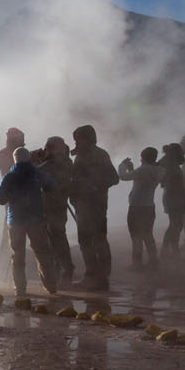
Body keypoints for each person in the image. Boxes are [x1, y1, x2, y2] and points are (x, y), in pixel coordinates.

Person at [0, 147, 59, 297]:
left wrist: (11, 196)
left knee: (17, 255)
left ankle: (20, 288)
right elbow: (53, 187)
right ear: (28, 158)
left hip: (15, 220)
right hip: (36, 219)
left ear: (14, 159)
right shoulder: (37, 173)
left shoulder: (9, 177)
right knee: (42, 253)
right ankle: (51, 286)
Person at [68, 124, 119, 290]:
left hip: (96, 205)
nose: (76, 143)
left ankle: (102, 277)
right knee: (85, 241)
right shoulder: (80, 157)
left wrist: (93, 186)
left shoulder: (99, 155)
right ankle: (91, 275)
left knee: (98, 240)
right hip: (82, 205)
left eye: (79, 139)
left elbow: (113, 178)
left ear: (88, 139)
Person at [36, 135, 76, 288]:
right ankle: (61, 270)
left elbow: (35, 173)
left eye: (47, 148)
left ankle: (66, 270)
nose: (45, 150)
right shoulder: (65, 162)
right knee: (55, 239)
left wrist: (35, 161)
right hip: (54, 205)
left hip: (53, 206)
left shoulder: (55, 164)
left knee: (56, 239)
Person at [117, 147, 162, 269]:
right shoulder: (158, 170)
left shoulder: (143, 170)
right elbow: (140, 180)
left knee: (136, 236)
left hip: (137, 207)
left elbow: (123, 176)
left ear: (142, 157)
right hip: (149, 206)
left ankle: (137, 263)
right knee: (148, 234)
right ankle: (153, 260)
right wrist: (132, 169)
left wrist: (122, 164)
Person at [159, 143, 185, 257]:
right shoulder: (171, 165)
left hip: (174, 196)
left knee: (176, 224)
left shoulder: (169, 163)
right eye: (181, 152)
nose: (183, 154)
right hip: (174, 197)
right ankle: (170, 250)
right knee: (176, 224)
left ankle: (170, 249)